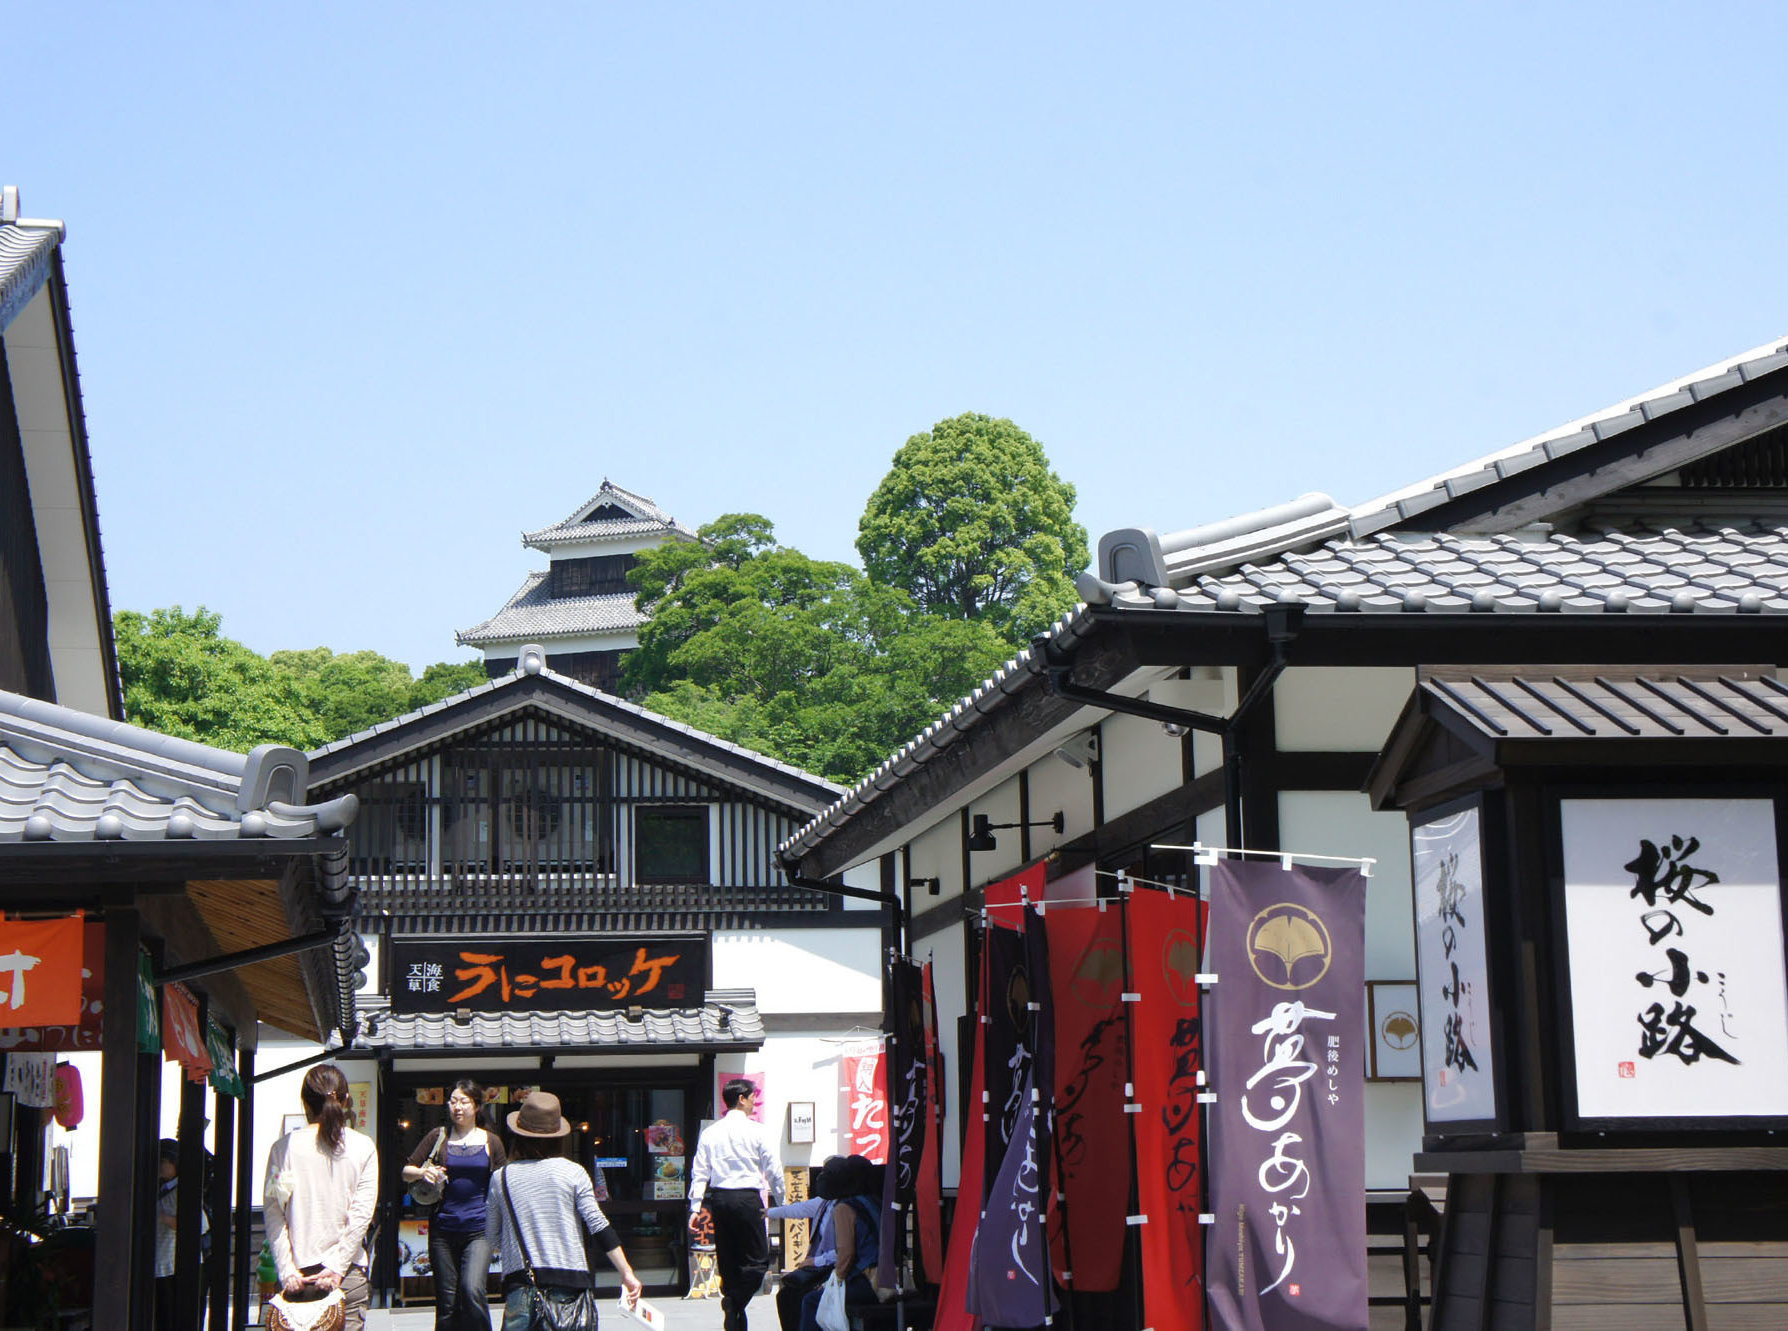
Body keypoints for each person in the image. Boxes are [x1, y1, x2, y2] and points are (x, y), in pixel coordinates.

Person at [485, 1090, 643, 1331]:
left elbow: (491, 1236)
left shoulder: (502, 1178)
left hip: (523, 1286)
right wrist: (626, 1272)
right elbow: (598, 1224)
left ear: (518, 1135)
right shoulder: (573, 1173)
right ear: (557, 1136)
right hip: (572, 1287)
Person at [264, 1064, 379, 1331]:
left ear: (305, 1102)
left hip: (298, 1277)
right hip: (346, 1275)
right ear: (346, 1100)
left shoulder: (283, 1148)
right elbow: (361, 1216)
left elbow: (273, 1212)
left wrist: (287, 1269)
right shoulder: (363, 1147)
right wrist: (337, 1268)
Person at [403, 1079, 508, 1330]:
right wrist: (423, 1173)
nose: (457, 1107)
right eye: (453, 1102)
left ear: (477, 1106)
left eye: (463, 1102)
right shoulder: (438, 1136)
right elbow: (406, 1171)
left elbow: (504, 1182)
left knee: (472, 1289)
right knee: (447, 1303)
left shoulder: (491, 1141)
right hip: (443, 1229)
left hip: (480, 1229)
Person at [689, 1078, 783, 1331]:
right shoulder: (758, 1131)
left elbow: (700, 1170)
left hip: (719, 1199)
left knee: (728, 1260)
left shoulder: (710, 1132)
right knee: (758, 1261)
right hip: (747, 1198)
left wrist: (695, 1206)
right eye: (752, 1097)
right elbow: (773, 1170)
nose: (754, 1102)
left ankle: (735, 1314)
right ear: (741, 1099)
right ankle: (735, 1302)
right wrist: (782, 1201)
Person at [767, 1156, 858, 1331]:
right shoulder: (825, 1202)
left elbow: (845, 1251)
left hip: (837, 1268)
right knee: (787, 1291)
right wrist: (769, 1212)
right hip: (824, 1265)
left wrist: (817, 1263)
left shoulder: (847, 1207)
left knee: (807, 1297)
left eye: (827, 1173)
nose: (821, 1178)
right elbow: (798, 1209)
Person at [793, 1156, 880, 1331]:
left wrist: (833, 1283)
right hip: (887, 1278)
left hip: (867, 1282)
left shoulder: (844, 1207)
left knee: (811, 1300)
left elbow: (846, 1253)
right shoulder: (875, 1201)